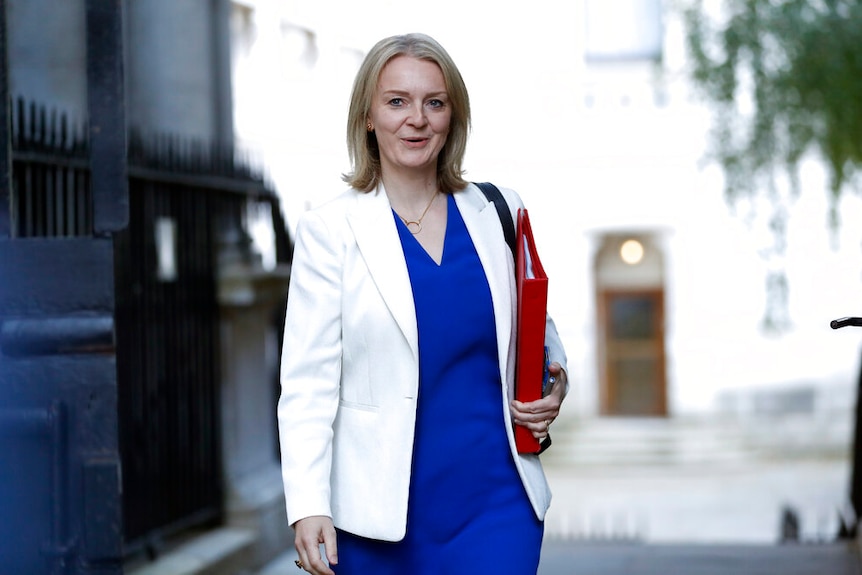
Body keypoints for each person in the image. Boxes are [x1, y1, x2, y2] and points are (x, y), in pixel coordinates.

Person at [277, 32, 568, 575]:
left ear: (452, 116)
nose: (417, 119)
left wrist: (554, 389)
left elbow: (542, 338)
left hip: (496, 505)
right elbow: (307, 384)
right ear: (368, 116)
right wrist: (308, 504)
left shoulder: (497, 213)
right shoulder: (330, 231)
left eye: (434, 102)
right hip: (376, 520)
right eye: (397, 101)